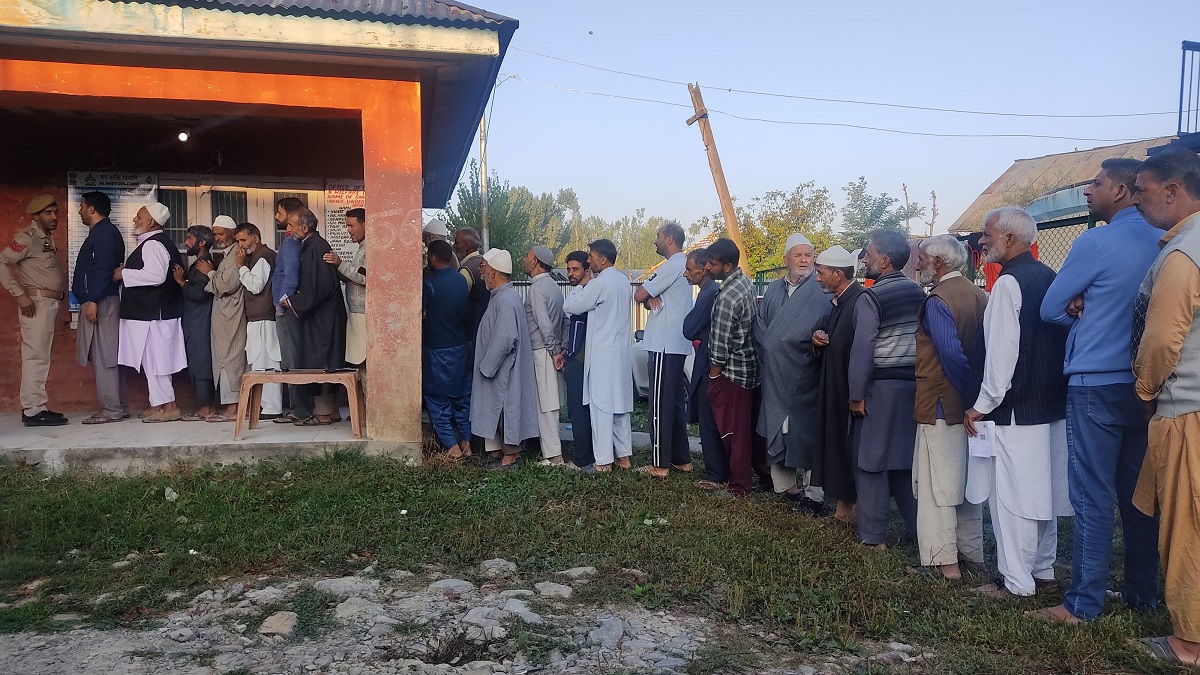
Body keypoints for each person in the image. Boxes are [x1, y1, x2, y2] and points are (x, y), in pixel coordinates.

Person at [1030, 159, 1161, 624]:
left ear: (1123, 191)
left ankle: (1083, 605)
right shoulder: (1167, 241)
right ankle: (1144, 594)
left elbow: (1049, 309)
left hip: (1095, 383)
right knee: (1139, 495)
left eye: (1097, 183)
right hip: (1147, 386)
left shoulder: (1097, 241)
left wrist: (1081, 313)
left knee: (1091, 495)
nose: (1087, 190)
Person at [964, 206, 1071, 598]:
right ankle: (1042, 571)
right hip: (1050, 403)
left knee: (1012, 499)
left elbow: (1002, 354)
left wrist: (982, 404)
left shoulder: (1009, 284)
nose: (981, 241)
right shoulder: (1049, 276)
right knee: (1043, 490)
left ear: (1009, 239)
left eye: (987, 233)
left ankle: (1016, 582)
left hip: (1013, 409)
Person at [1128, 149, 1200, 665]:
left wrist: (1146, 391)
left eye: (1144, 190)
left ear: (1173, 192)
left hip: (1186, 409)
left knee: (1187, 524)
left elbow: (1160, 340)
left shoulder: (1182, 255)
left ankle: (1188, 641)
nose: (1137, 200)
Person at [911, 235, 987, 579]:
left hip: (943, 403)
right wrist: (979, 399)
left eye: (923, 259)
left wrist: (968, 395)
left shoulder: (938, 299)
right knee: (967, 484)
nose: (918, 265)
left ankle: (946, 563)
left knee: (937, 485)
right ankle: (972, 554)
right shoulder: (978, 294)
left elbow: (951, 354)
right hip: (973, 407)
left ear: (938, 263)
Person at [849, 229, 924, 548]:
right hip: (914, 387)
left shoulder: (871, 296)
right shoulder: (918, 292)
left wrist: (855, 394)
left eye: (868, 253)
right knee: (906, 462)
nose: (864, 258)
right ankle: (920, 533)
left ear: (884, 260)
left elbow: (863, 347)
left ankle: (873, 536)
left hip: (881, 388)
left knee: (871, 461)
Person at [753, 233, 830, 512]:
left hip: (807, 373)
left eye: (808, 255)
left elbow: (827, 326)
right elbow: (761, 327)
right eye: (798, 255)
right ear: (786, 259)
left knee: (807, 431)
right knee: (777, 426)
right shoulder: (773, 290)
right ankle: (785, 486)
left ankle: (814, 492)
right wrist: (773, 349)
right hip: (775, 373)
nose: (804, 260)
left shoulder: (822, 290)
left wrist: (810, 342)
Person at [562, 238, 634, 471]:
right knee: (619, 406)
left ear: (602, 259)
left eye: (591, 256)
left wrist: (580, 287)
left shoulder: (599, 283)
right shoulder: (623, 280)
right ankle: (623, 457)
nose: (588, 259)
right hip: (620, 352)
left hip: (602, 355)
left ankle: (603, 462)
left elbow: (571, 306)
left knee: (600, 407)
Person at [705, 237, 768, 497]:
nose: (708, 267)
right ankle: (764, 476)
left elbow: (720, 343)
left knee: (735, 433)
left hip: (732, 373)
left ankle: (739, 486)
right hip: (750, 369)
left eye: (713, 263)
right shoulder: (744, 282)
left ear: (728, 265)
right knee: (749, 430)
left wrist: (714, 377)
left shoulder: (727, 296)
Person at [115, 202, 187, 423]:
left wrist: (123, 274)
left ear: (151, 222)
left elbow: (156, 276)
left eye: (139, 217)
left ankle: (170, 406)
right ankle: (159, 404)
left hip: (155, 315)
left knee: (158, 361)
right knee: (153, 360)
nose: (135, 220)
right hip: (153, 314)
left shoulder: (153, 245)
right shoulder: (153, 243)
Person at [633, 222, 694, 478]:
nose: (655, 241)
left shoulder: (672, 265)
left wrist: (646, 296)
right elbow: (648, 300)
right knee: (675, 403)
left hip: (663, 345)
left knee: (658, 405)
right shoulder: (684, 265)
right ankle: (682, 459)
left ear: (669, 239)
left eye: (658, 236)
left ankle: (659, 464)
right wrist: (649, 298)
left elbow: (638, 295)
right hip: (677, 344)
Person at [470, 248, 540, 469]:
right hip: (500, 368)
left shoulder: (505, 300)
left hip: (502, 370)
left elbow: (505, 338)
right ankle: (502, 452)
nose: (482, 274)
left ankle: (510, 456)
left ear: (493, 273)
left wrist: (487, 366)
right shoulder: (503, 296)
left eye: (484, 269)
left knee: (505, 409)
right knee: (500, 409)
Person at [2, 194, 67, 426]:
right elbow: (2, 261)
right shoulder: (27, 238)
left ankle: (37, 406)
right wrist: (19, 295)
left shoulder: (45, 238)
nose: (54, 217)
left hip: (47, 303)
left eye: (56, 212)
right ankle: (32, 409)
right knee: (35, 356)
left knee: (41, 355)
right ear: (36, 216)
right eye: (48, 213)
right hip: (36, 303)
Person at [812, 245, 865, 524]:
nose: (817, 278)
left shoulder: (858, 301)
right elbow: (827, 332)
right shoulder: (838, 301)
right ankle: (843, 510)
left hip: (848, 390)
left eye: (821, 273)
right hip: (834, 386)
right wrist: (817, 335)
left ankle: (852, 510)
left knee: (847, 447)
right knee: (835, 445)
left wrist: (856, 392)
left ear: (837, 274)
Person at [282, 208, 347, 425]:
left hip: (324, 318)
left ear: (305, 227)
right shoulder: (310, 245)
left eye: (291, 225)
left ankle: (324, 414)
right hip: (322, 315)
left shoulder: (316, 246)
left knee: (322, 361)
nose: (288, 230)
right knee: (323, 360)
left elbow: (321, 286)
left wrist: (292, 301)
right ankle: (332, 412)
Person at [74, 191, 127, 424]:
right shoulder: (102, 232)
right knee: (103, 354)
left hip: (102, 301)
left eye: (82, 206)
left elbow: (105, 269)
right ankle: (116, 406)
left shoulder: (104, 233)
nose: (79, 211)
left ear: (92, 209)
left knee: (104, 355)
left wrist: (93, 299)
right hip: (101, 299)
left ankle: (111, 410)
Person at [682, 248, 726, 490]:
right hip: (707, 360)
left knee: (709, 421)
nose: (686, 274)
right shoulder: (709, 291)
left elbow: (689, 328)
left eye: (690, 269)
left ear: (704, 269)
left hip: (709, 363)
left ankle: (716, 474)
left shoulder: (709, 293)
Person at [423, 239, 472, 458]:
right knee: (462, 396)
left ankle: (451, 447)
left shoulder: (430, 284)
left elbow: (421, 310)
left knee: (437, 397)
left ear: (432, 257)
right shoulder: (461, 281)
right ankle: (467, 442)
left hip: (437, 348)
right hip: (460, 346)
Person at [523, 245, 568, 465]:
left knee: (546, 404)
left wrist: (553, 351)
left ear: (536, 262)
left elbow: (545, 325)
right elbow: (565, 320)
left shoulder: (537, 289)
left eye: (528, 257)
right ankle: (553, 453)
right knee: (551, 402)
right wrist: (562, 349)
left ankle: (554, 457)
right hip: (552, 351)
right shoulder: (554, 286)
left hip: (543, 351)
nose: (524, 259)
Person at [200, 216, 247, 423]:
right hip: (224, 314)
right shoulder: (227, 254)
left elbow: (227, 285)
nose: (217, 238)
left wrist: (209, 273)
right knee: (224, 356)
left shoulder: (237, 253)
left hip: (232, 314)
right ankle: (231, 406)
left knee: (231, 358)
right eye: (215, 234)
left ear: (233, 233)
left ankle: (235, 408)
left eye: (221, 233)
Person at [235, 222, 282, 419]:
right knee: (259, 360)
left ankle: (272, 408)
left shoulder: (263, 256)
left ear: (256, 237)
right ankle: (266, 406)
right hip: (258, 318)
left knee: (266, 361)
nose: (241, 245)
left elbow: (255, 286)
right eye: (238, 241)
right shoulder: (256, 256)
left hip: (264, 319)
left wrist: (241, 268)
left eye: (243, 240)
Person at [173, 225, 217, 421]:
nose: (186, 242)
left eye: (190, 238)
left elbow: (200, 293)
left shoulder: (203, 264)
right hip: (195, 321)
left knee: (201, 365)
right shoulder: (198, 263)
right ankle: (204, 406)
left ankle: (206, 408)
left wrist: (181, 282)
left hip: (201, 323)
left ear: (202, 243)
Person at [272, 197, 308, 424]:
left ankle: (299, 410)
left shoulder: (292, 242)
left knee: (292, 359)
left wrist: (282, 302)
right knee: (290, 359)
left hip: (286, 309)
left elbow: (291, 274)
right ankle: (298, 408)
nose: (277, 217)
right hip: (286, 307)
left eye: (280, 212)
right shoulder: (291, 240)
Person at [324, 207, 366, 390]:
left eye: (351, 225)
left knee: (366, 368)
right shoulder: (362, 248)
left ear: (366, 224)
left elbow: (364, 278)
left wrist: (339, 263)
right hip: (357, 315)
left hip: (364, 316)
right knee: (361, 368)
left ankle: (369, 414)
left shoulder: (370, 249)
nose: (348, 230)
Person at [561, 250, 595, 470]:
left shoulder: (587, 292)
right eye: (568, 269)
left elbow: (569, 306)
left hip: (582, 361)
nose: (570, 274)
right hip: (575, 356)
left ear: (587, 269)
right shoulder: (585, 291)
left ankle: (583, 459)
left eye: (576, 269)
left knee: (578, 410)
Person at [455, 226, 489, 346]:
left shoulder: (466, 270)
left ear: (467, 245)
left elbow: (458, 303)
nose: (455, 246)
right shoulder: (484, 263)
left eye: (457, 243)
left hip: (470, 331)